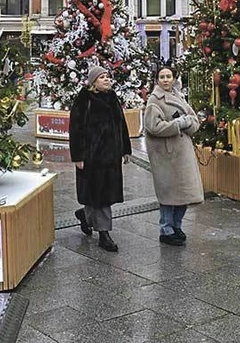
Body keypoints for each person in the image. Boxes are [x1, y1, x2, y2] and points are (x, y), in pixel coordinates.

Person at [69, 65, 131, 252]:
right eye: (102, 77)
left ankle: (85, 216)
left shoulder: (112, 97)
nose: (106, 79)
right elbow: (75, 129)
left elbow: (122, 124)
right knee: (100, 197)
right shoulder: (84, 99)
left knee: (99, 195)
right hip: (91, 158)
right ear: (93, 81)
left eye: (107, 76)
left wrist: (126, 149)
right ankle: (104, 234)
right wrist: (78, 156)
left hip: (111, 158)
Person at [143, 65, 204, 246]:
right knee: (169, 195)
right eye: (162, 77)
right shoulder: (154, 100)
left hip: (182, 153)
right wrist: (178, 124)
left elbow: (193, 119)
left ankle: (177, 226)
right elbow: (153, 127)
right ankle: (166, 229)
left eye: (169, 76)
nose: (166, 79)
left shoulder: (179, 96)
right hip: (167, 155)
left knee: (183, 193)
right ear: (157, 80)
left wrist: (187, 123)